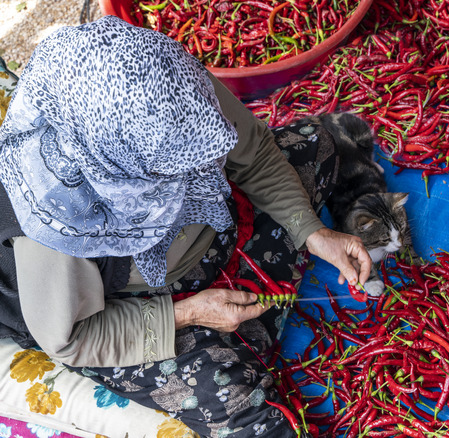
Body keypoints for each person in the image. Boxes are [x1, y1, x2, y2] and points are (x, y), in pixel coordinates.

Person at [0, 16, 372, 438]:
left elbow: (255, 156)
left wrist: (311, 231)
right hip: (135, 305)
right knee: (245, 415)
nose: (201, 170)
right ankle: (234, 326)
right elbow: (71, 338)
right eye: (174, 167)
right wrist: (189, 313)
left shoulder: (168, 79)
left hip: (215, 234)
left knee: (316, 141)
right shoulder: (52, 213)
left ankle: (246, 322)